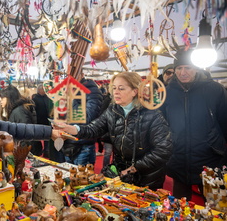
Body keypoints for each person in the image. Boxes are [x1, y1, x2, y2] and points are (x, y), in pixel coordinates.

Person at [53, 72, 172, 190]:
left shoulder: (152, 115)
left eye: (121, 88)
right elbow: (94, 128)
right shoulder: (113, 110)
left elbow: (164, 149)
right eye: (114, 88)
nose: (116, 92)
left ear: (135, 91)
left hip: (147, 176)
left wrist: (135, 168)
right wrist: (72, 128)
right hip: (121, 173)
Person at [160, 48, 227, 200]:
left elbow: (225, 120)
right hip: (178, 156)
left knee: (215, 204)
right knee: (179, 206)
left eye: (187, 68)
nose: (183, 72)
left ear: (196, 68)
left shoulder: (214, 90)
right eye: (179, 68)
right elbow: (161, 123)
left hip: (210, 157)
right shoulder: (167, 92)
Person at [61, 75, 104, 166]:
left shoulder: (92, 91)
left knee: (83, 178)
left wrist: (73, 97)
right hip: (68, 143)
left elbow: (89, 119)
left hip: (83, 145)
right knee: (69, 176)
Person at [0, 85, 42, 156]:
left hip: (25, 152)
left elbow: (26, 134)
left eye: (2, 98)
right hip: (21, 150)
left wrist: (21, 153)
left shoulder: (19, 112)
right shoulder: (14, 110)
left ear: (10, 98)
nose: (0, 100)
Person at [32, 84, 57, 160]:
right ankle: (38, 150)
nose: (45, 91)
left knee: (48, 136)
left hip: (47, 120)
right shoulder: (35, 98)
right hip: (39, 120)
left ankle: (46, 150)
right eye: (43, 89)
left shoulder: (48, 98)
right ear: (39, 90)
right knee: (38, 137)